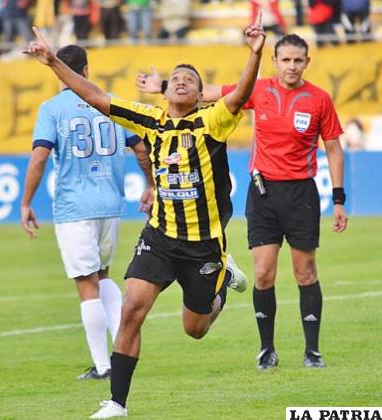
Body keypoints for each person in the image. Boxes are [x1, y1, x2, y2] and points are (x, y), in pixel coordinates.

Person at [25, 15, 265, 418]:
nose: (183, 80)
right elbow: (98, 96)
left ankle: (221, 279)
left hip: (203, 244)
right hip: (160, 237)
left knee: (196, 329)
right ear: (167, 89)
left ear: (199, 93)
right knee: (133, 309)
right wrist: (52, 62)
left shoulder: (212, 122)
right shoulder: (148, 119)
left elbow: (240, 95)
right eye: (177, 77)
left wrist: (254, 54)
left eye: (191, 78)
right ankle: (117, 402)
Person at [137, 33, 348, 370]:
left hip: (302, 194)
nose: (291, 66)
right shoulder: (259, 90)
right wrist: (163, 85)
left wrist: (338, 199)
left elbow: (334, 147)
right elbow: (213, 93)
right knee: (263, 274)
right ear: (275, 61)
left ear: (307, 62)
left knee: (305, 272)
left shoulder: (319, 99)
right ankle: (267, 350)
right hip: (263, 193)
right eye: (286, 59)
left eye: (298, 60)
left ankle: (313, 351)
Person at [21, 44, 154, 381]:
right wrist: (150, 184)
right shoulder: (110, 102)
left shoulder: (52, 109)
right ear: (87, 70)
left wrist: (26, 203)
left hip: (74, 207)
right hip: (110, 205)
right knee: (104, 274)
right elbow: (141, 148)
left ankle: (105, 366)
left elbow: (39, 157)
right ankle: (121, 350)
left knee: (86, 284)